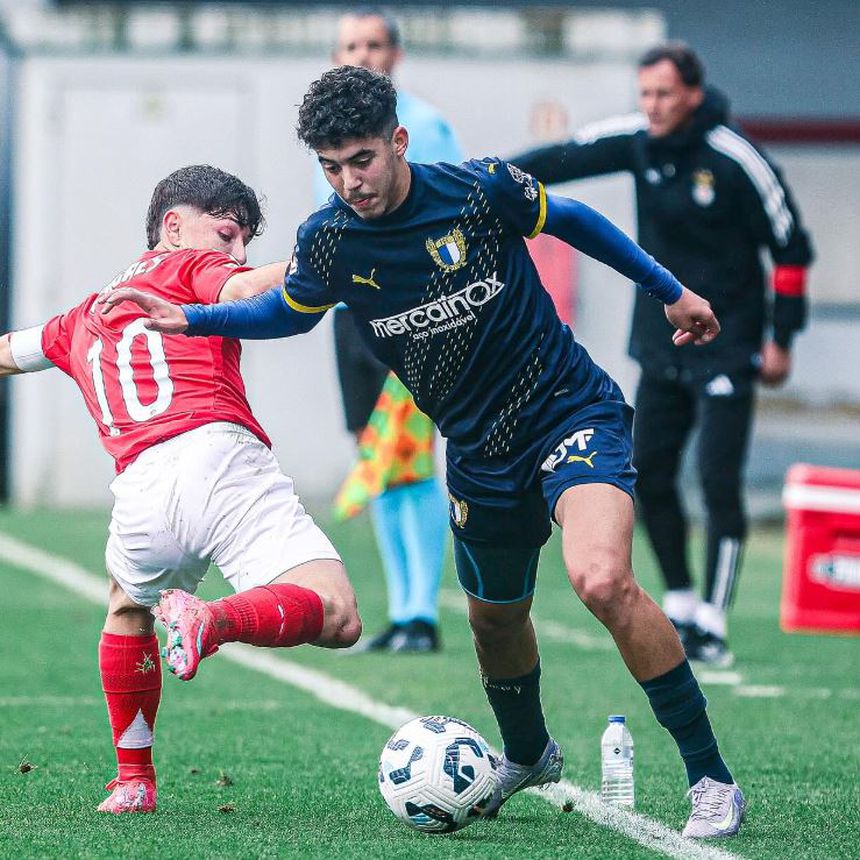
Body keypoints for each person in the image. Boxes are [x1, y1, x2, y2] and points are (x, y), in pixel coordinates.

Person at [103, 67, 744, 838]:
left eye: (362, 160)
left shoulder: (478, 191)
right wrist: (193, 320)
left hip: (568, 411)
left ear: (397, 142)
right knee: (494, 623)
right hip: (477, 448)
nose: (350, 182)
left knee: (600, 579)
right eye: (331, 167)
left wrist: (667, 289)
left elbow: (572, 218)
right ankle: (529, 753)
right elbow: (289, 315)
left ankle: (710, 777)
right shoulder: (331, 238)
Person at [0, 165, 361, 814]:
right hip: (217, 460)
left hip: (139, 494)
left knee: (126, 607)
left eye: (245, 239)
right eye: (229, 233)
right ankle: (211, 619)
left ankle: (134, 779)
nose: (237, 251)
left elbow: (6, 351)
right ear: (173, 226)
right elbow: (248, 286)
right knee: (335, 614)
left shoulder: (75, 319)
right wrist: (343, 251)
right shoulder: (188, 265)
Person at [510, 42, 813, 668]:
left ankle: (714, 621)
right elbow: (564, 157)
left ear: (693, 95)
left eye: (664, 95)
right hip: (659, 345)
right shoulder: (638, 138)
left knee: (718, 480)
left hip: (728, 345)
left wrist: (782, 338)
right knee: (649, 471)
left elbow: (790, 248)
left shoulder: (735, 159)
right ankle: (679, 600)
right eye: (644, 94)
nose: (652, 106)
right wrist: (485, 181)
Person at [321, 8, 462, 653]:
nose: (362, 55)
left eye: (374, 45)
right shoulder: (328, 130)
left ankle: (420, 612)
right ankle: (399, 610)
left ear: (395, 55)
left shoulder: (425, 125)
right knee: (371, 454)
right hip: (351, 316)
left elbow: (448, 221)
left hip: (412, 317)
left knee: (410, 456)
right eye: (351, 45)